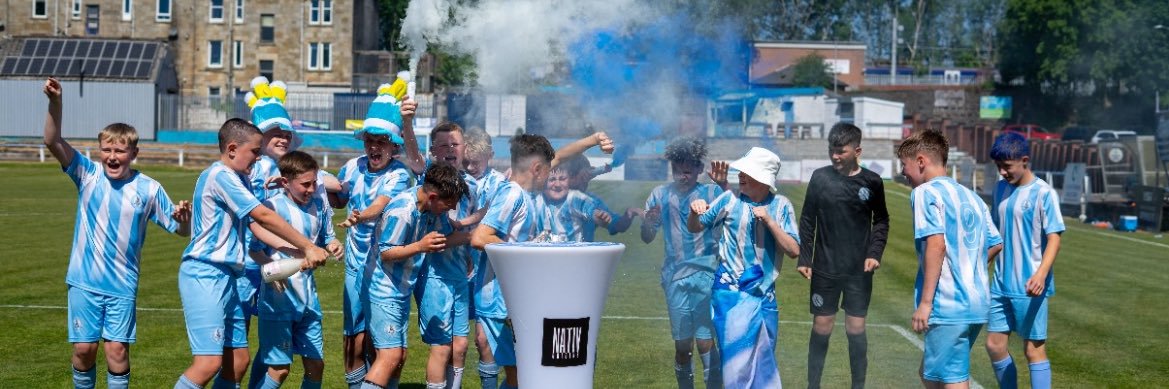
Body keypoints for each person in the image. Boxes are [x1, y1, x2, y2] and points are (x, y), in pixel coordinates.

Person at [42, 77, 193, 389]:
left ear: (133, 153)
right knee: (84, 349)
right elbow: (52, 141)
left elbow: (180, 230)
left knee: (117, 350)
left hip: (122, 285)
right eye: (106, 149)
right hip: (84, 280)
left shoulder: (149, 189)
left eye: (120, 151)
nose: (112, 156)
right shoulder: (87, 173)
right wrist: (55, 102)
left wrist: (185, 220)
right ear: (99, 151)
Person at [174, 118, 330, 389]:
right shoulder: (220, 175)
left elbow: (256, 227)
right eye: (255, 152)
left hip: (227, 277)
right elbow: (263, 215)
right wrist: (308, 246)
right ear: (232, 149)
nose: (259, 159)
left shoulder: (239, 179)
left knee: (238, 361)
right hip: (205, 272)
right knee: (208, 363)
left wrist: (296, 251)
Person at [470, 132, 614, 389]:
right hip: (501, 302)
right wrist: (526, 256)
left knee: (527, 373)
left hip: (513, 300)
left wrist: (593, 140)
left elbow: (559, 156)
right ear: (537, 169)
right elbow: (481, 238)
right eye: (549, 171)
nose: (551, 176)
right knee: (522, 375)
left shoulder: (523, 190)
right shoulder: (512, 194)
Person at [242, 76, 344, 389]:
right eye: (276, 132)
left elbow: (331, 190)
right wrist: (274, 268)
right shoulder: (250, 172)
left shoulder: (308, 188)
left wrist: (332, 241)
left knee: (293, 359)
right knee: (244, 355)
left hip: (300, 291)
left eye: (288, 133)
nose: (284, 138)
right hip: (254, 275)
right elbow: (254, 236)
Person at [896, 130, 1002, 389]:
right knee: (931, 374)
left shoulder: (925, 193)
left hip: (948, 304)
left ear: (921, 161)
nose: (903, 173)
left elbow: (935, 243)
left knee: (949, 381)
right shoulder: (973, 198)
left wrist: (925, 303)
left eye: (904, 165)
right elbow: (996, 243)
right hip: (977, 303)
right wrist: (969, 268)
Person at [688, 147, 799, 388]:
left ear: (763, 178)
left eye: (747, 172)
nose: (740, 175)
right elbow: (696, 227)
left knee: (763, 363)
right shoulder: (729, 199)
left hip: (765, 298)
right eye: (741, 171)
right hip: (730, 296)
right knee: (735, 366)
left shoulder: (781, 206)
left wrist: (769, 221)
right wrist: (693, 210)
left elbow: (793, 250)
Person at [332, 78, 416, 389]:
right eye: (369, 140)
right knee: (353, 338)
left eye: (381, 141)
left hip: (386, 269)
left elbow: (379, 207)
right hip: (355, 267)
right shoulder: (352, 167)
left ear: (393, 145)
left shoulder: (398, 174)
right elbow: (340, 196)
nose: (373, 147)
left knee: (388, 346)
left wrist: (359, 215)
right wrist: (317, 186)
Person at [797, 123, 890, 389]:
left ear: (857, 150)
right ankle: (812, 385)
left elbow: (881, 220)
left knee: (856, 330)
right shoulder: (820, 178)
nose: (835, 156)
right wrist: (805, 258)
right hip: (825, 267)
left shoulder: (872, 181)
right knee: (822, 327)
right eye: (831, 150)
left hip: (858, 271)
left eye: (841, 151)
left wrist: (874, 253)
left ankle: (857, 386)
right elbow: (807, 219)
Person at [363, 163, 470, 389]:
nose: (450, 210)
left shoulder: (431, 208)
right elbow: (387, 253)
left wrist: (469, 238)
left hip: (401, 289)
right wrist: (421, 246)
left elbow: (447, 235)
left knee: (399, 357)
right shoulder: (402, 211)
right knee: (390, 356)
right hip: (383, 290)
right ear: (432, 196)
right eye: (448, 205)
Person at [247, 151, 341, 389]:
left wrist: (334, 245)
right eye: (305, 184)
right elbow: (254, 250)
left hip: (309, 302)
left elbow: (326, 238)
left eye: (314, 183)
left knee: (316, 365)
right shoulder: (271, 208)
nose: (311, 189)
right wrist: (270, 268)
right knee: (279, 370)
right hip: (279, 301)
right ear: (286, 182)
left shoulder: (319, 205)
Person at [640, 137, 727, 389]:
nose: (682, 176)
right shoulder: (660, 195)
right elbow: (647, 237)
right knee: (682, 346)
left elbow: (733, 218)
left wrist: (723, 185)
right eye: (678, 170)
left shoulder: (711, 192)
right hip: (674, 277)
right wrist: (647, 222)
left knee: (704, 341)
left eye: (688, 171)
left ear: (700, 169)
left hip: (707, 274)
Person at [985, 133, 1064, 389]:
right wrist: (982, 261)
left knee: (1033, 350)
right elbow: (996, 235)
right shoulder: (999, 189)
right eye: (998, 166)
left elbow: (1054, 239)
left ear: (1025, 160)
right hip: (1000, 284)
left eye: (1007, 167)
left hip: (1030, 285)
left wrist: (1041, 274)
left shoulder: (1044, 193)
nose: (1002, 172)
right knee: (994, 345)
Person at [461, 128, 509, 388]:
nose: (470, 167)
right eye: (466, 161)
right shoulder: (457, 179)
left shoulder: (501, 184)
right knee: (454, 341)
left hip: (487, 271)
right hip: (456, 267)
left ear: (490, 155)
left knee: (483, 338)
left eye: (475, 162)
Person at [561, 155, 639, 240]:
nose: (585, 180)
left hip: (585, 253)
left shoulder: (592, 200)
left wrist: (630, 213)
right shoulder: (550, 198)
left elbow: (617, 225)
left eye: (586, 177)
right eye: (581, 177)